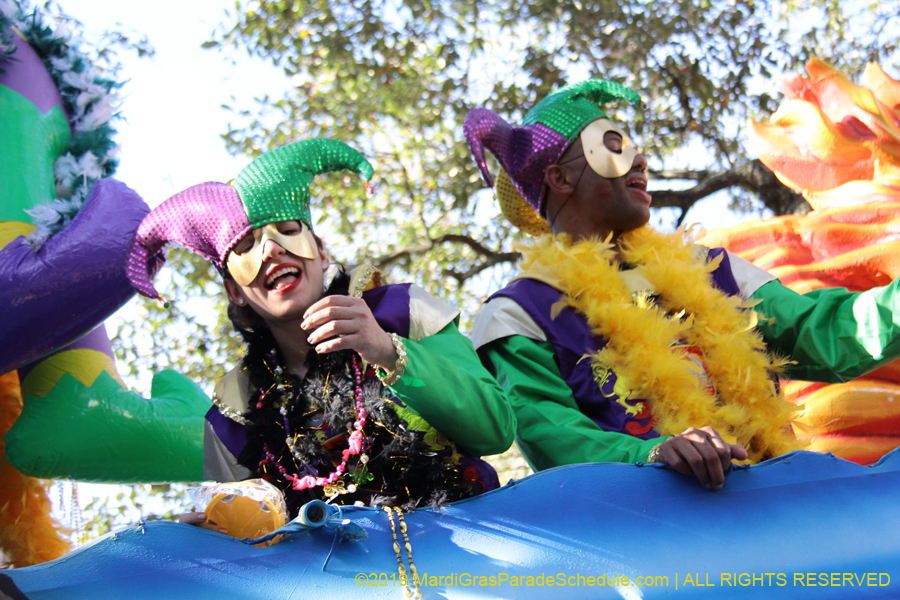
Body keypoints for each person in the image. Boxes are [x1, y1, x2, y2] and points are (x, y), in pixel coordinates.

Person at [463, 79, 900, 490]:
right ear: (559, 178)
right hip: (653, 554)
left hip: (783, 513)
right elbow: (553, 437)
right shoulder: (515, 317)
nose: (640, 160)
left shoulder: (717, 272)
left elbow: (823, 331)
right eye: (612, 148)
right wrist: (653, 454)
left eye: (632, 146)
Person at [126, 138, 515, 526]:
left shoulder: (400, 311)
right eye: (245, 246)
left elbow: (495, 428)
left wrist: (387, 351)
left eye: (288, 230)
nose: (271, 251)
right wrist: (212, 530)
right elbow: (253, 544)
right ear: (234, 291)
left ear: (321, 250)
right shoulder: (238, 409)